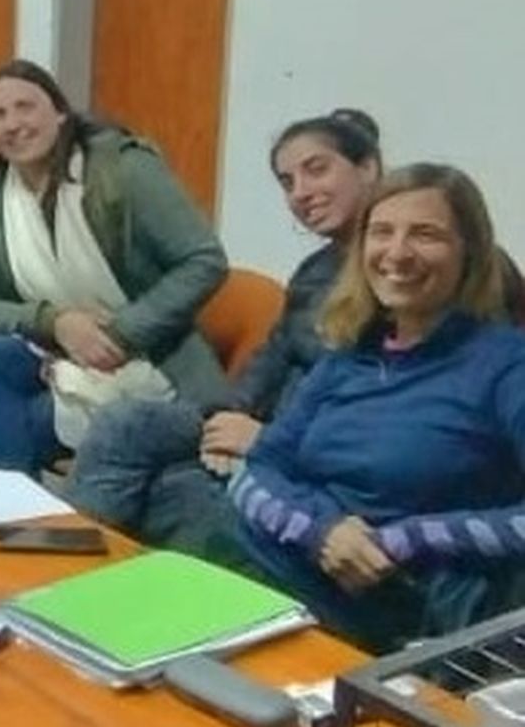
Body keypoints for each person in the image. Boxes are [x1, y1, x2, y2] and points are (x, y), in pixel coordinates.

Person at [221, 163, 525, 653]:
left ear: (470, 251)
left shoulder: (506, 362)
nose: (397, 253)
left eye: (425, 234)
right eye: (382, 232)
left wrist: (410, 539)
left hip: (405, 609)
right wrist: (322, 532)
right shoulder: (349, 355)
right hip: (299, 562)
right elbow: (259, 469)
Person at [69, 108, 383, 552]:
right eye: (288, 182)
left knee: (172, 492)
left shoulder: (401, 283)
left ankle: (93, 578)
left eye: (317, 170)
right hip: (263, 426)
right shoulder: (315, 271)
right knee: (128, 422)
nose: (302, 192)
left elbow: (374, 408)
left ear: (368, 168)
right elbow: (271, 358)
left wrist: (264, 441)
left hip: (305, 452)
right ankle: (68, 566)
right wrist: (228, 420)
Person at [0, 58, 227, 472]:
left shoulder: (124, 169)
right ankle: (3, 507)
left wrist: (121, 332)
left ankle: (4, 512)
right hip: (60, 354)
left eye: (25, 106)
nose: (12, 123)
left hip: (150, 357)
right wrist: (56, 321)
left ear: (61, 112)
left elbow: (205, 259)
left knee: (9, 427)